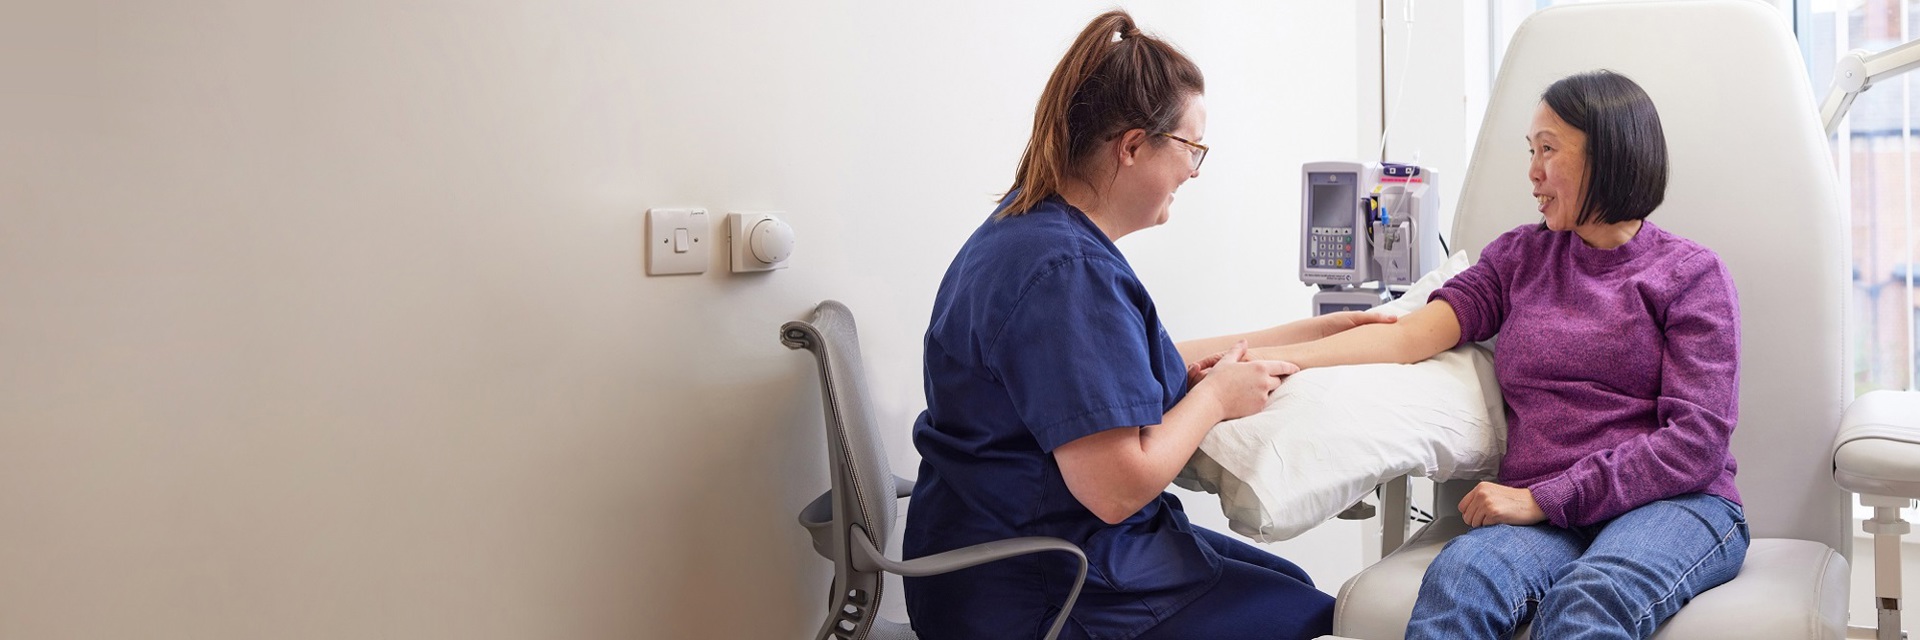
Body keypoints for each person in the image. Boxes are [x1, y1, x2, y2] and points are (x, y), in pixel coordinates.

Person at [900, 10, 1392, 640]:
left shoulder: (1030, 232)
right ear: (1131, 146)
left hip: (1010, 549)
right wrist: (1214, 398)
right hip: (1045, 586)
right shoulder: (1066, 273)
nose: (1193, 170)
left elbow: (1135, 362)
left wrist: (1318, 331)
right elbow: (1115, 489)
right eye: (1192, 148)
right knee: (1324, 620)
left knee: (1290, 584)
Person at [1249, 70, 1747, 639]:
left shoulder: (1690, 276)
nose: (1532, 172)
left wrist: (1547, 496)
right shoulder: (1519, 258)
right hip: (1544, 519)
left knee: (1589, 602)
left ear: (1608, 156)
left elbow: (1695, 444)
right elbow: (1405, 336)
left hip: (1671, 505)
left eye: (1549, 150)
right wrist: (1269, 358)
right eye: (1530, 151)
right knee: (1460, 580)